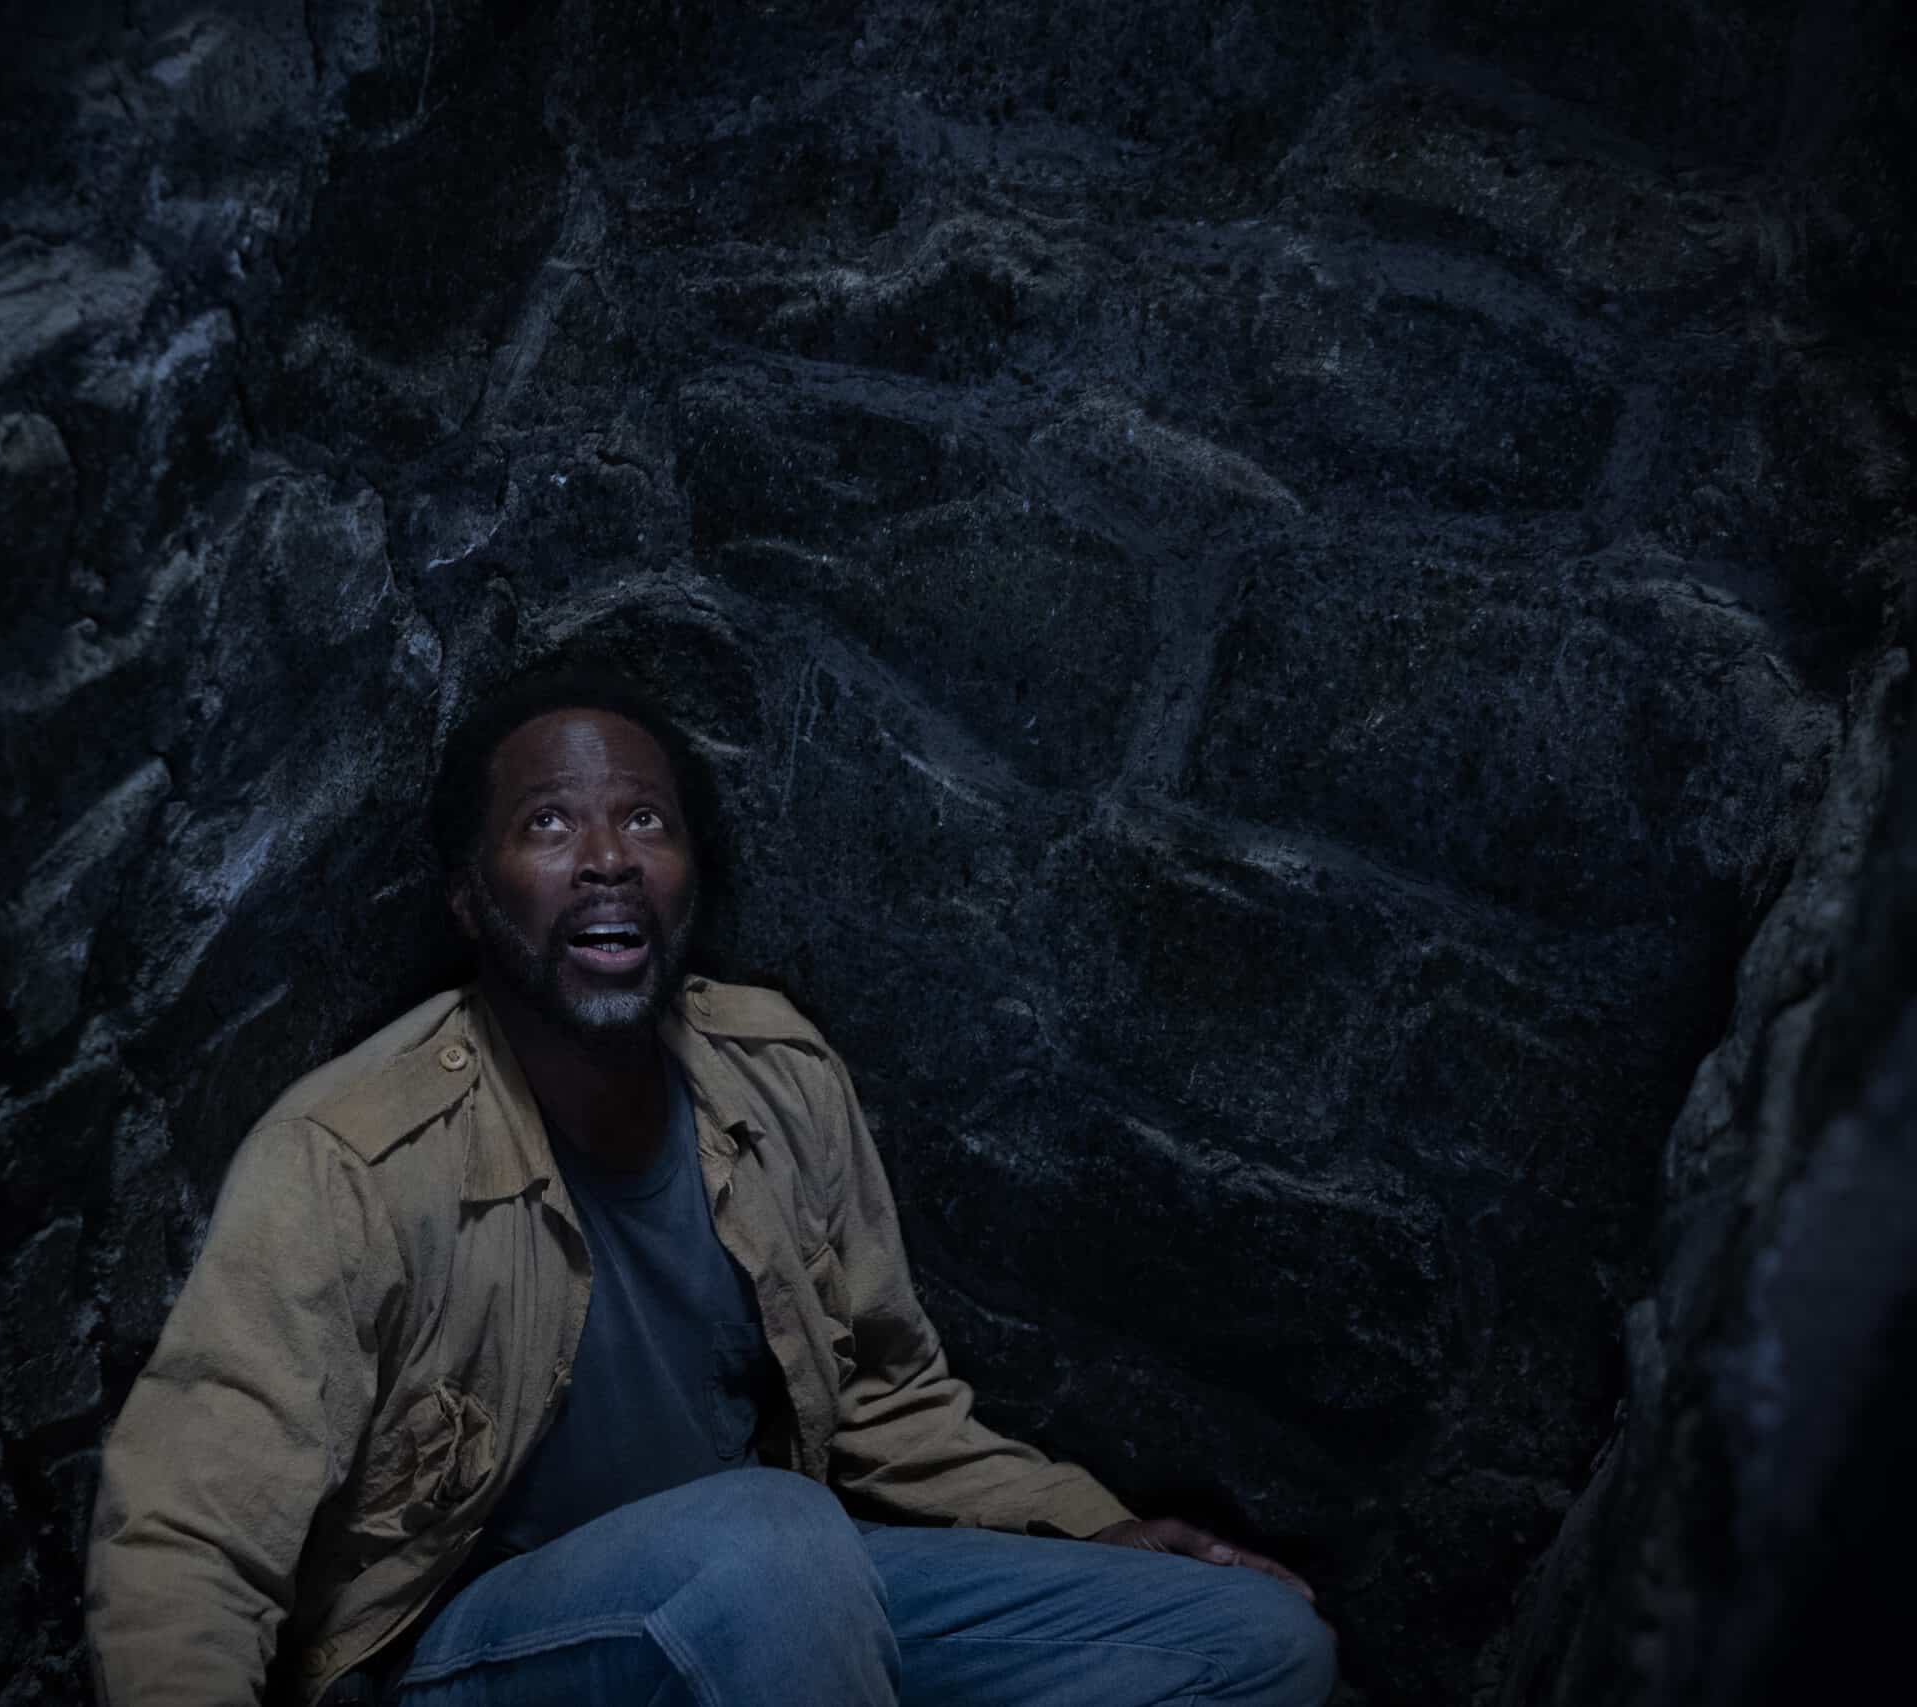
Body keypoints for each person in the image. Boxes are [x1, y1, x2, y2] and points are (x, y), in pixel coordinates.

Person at [86, 671, 1337, 1707]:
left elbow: (887, 1397)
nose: (607, 860)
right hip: (491, 1655)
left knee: (1253, 1641)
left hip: (782, 1606)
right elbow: (191, 1536)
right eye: (548, 827)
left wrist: (1087, 1525)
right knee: (771, 1542)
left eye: (645, 821)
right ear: (470, 900)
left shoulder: (776, 1073)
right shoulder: (348, 1157)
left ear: (690, 873)